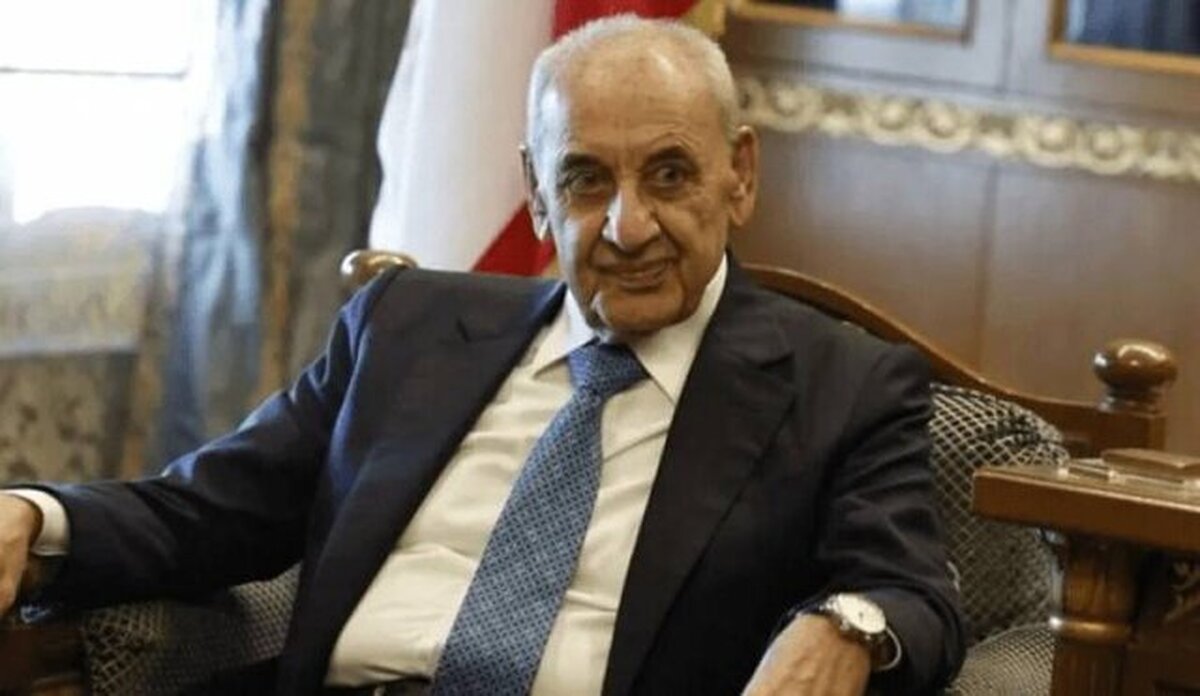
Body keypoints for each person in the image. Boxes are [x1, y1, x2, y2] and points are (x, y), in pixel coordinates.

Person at [0, 15, 965, 696]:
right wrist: (30, 518)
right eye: (587, 181)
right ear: (536, 194)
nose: (629, 226)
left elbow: (912, 592)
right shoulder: (405, 327)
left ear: (739, 175)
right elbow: (207, 510)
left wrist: (844, 627)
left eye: (670, 175)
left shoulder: (845, 386)